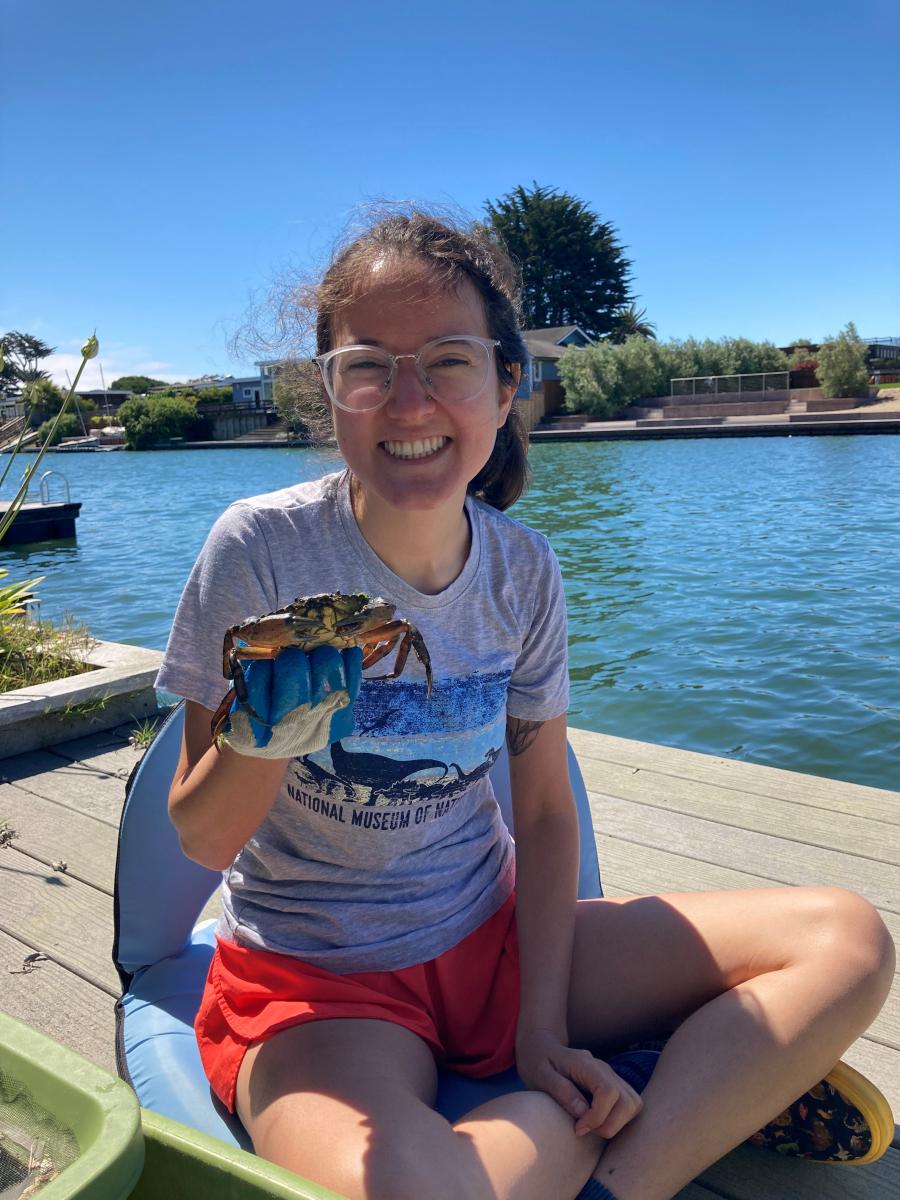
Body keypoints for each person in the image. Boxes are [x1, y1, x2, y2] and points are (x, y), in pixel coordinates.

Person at [157, 211, 895, 1200]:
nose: (409, 400)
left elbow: (545, 814)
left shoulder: (523, 571)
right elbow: (199, 840)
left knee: (848, 939)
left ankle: (622, 1163)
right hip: (318, 983)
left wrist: (541, 1027)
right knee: (411, 1189)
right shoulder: (258, 550)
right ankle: (645, 1090)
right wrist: (266, 730)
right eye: (368, 365)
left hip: (494, 935)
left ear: (507, 388)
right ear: (328, 393)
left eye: (450, 362)